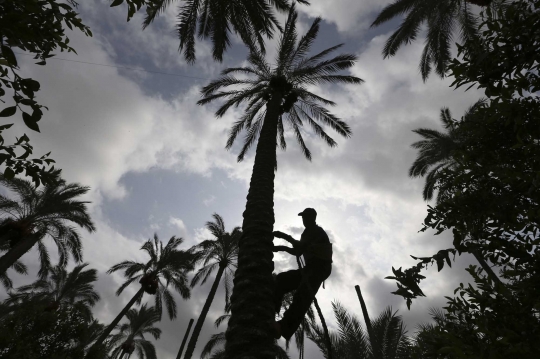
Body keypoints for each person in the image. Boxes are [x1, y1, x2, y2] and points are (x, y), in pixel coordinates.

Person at [272, 208, 333, 340]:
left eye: (307, 217)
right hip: (309, 268)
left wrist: (283, 237)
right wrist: (279, 248)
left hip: (319, 268)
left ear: (313, 218)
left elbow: (301, 247)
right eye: (303, 218)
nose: (304, 220)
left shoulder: (316, 231)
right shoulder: (306, 233)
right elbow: (298, 251)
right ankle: (272, 310)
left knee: (302, 297)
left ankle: (284, 327)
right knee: (282, 279)